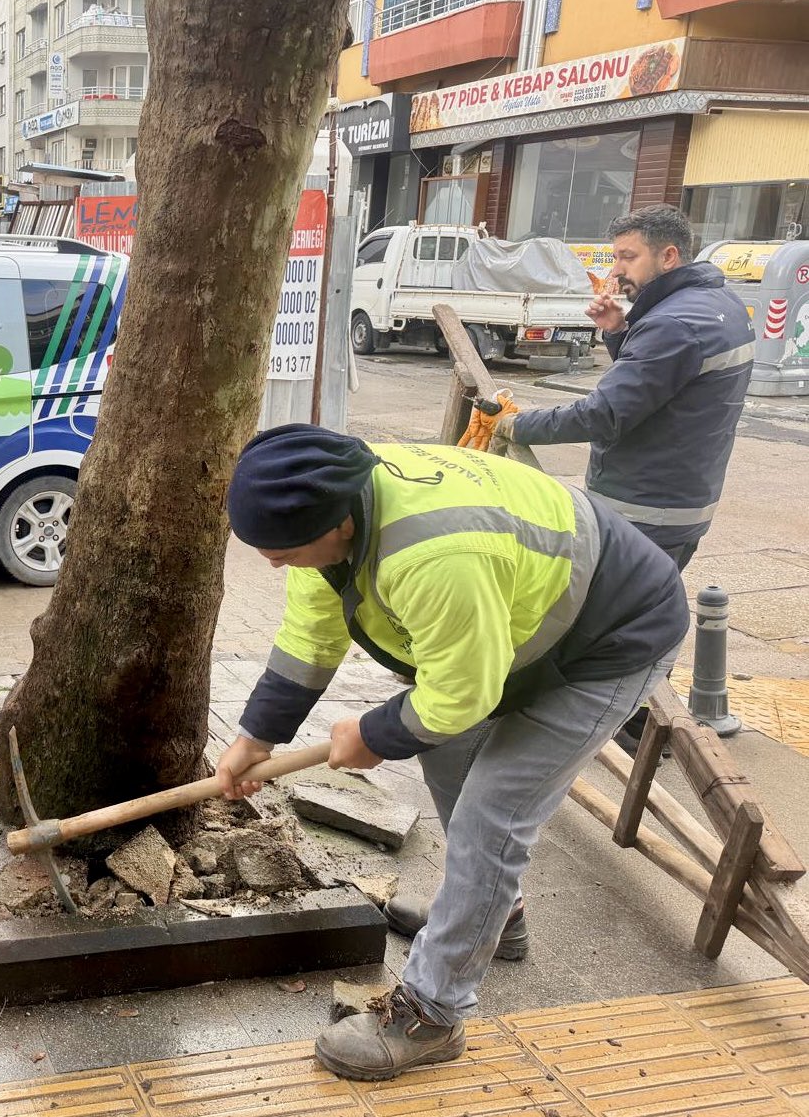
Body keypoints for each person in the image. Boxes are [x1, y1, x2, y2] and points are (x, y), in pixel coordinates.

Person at [215, 426, 688, 1082]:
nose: (271, 563)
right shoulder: (331, 509)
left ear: (338, 527)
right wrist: (254, 737)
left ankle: (432, 1013)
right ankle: (498, 914)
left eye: (280, 550)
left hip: (609, 637)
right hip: (525, 623)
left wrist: (372, 735)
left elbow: (459, 694)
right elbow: (309, 633)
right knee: (443, 755)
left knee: (491, 813)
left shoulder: (432, 552)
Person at [497, 204, 753, 749]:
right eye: (615, 257)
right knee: (642, 611)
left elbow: (605, 413)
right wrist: (618, 332)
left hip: (642, 507)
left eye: (628, 258)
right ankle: (635, 727)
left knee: (603, 626)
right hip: (687, 500)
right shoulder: (719, 305)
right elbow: (664, 385)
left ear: (669, 255)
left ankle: (632, 733)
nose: (616, 272)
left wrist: (518, 424)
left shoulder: (673, 325)